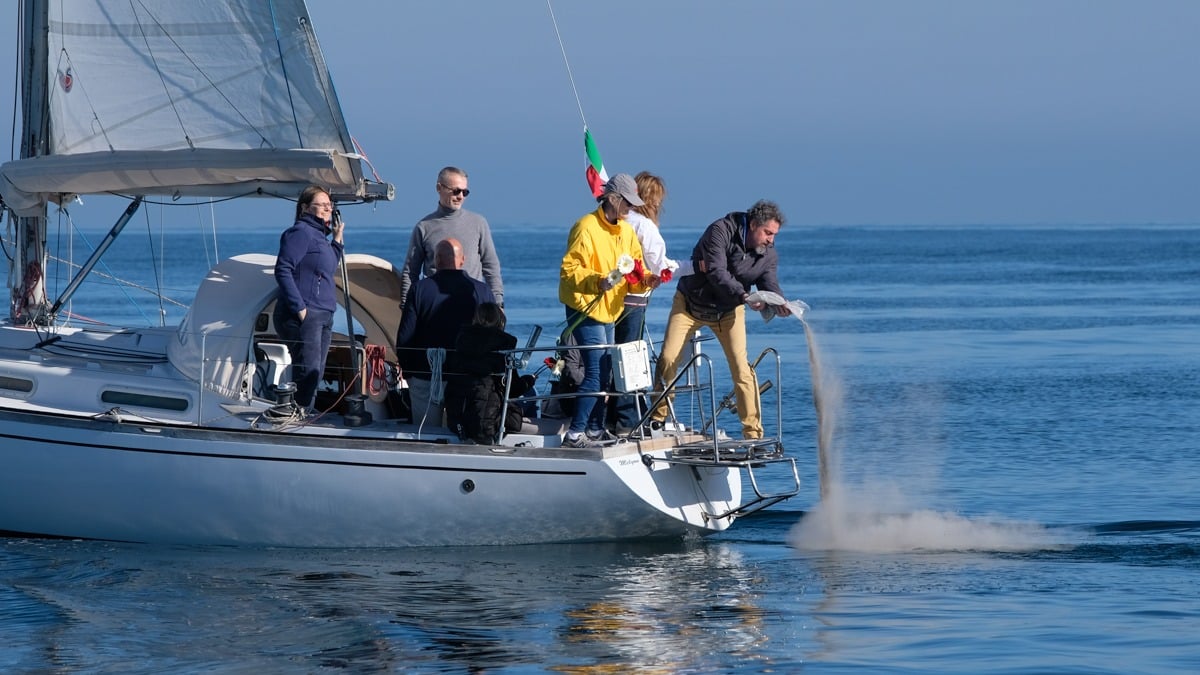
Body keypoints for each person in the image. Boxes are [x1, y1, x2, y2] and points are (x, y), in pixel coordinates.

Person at [649, 199, 793, 440]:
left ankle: (753, 435)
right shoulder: (720, 230)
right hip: (689, 304)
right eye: (768, 233)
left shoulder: (768, 255)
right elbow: (716, 271)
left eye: (774, 235)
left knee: (741, 368)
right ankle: (656, 420)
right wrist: (744, 295)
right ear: (754, 224)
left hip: (729, 311)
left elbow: (769, 284)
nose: (771, 240)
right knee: (667, 358)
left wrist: (779, 303)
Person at [558, 173, 658, 448]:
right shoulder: (585, 226)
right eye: (627, 202)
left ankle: (594, 430)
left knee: (604, 371)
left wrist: (649, 279)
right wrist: (597, 280)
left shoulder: (626, 231)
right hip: (583, 306)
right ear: (612, 198)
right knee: (596, 373)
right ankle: (576, 434)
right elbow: (569, 270)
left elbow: (636, 268)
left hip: (610, 309)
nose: (631, 208)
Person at [395, 237, 494, 426]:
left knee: (425, 434)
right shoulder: (482, 291)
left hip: (425, 375)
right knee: (460, 434)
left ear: (436, 261)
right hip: (466, 378)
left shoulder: (420, 289)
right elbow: (492, 336)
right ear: (463, 260)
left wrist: (409, 372)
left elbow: (405, 336)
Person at [610, 171, 677, 435]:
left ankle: (613, 412)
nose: (660, 204)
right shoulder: (644, 226)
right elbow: (662, 265)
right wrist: (693, 267)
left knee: (612, 354)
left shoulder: (620, 220)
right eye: (658, 198)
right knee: (631, 356)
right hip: (635, 298)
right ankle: (628, 418)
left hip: (611, 297)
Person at [273, 185, 344, 413]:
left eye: (329, 206)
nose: (327, 210)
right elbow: (283, 269)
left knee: (317, 372)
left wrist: (337, 241)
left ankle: (304, 413)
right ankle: (297, 417)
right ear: (305, 208)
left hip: (324, 313)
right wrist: (300, 308)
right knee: (307, 371)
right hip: (306, 313)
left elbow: (329, 267)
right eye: (321, 205)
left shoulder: (320, 237)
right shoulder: (301, 232)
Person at [399, 166, 504, 309]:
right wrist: (406, 305)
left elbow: (491, 265)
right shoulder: (424, 227)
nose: (460, 196)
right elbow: (411, 272)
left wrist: (498, 303)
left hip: (472, 304)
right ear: (439, 188)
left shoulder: (478, 223)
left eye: (464, 192)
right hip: (435, 307)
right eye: (456, 191)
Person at [445, 302, 537, 444]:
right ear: (500, 320)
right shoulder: (502, 347)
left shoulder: (461, 343)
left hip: (457, 417)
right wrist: (529, 380)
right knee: (531, 395)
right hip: (487, 421)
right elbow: (513, 389)